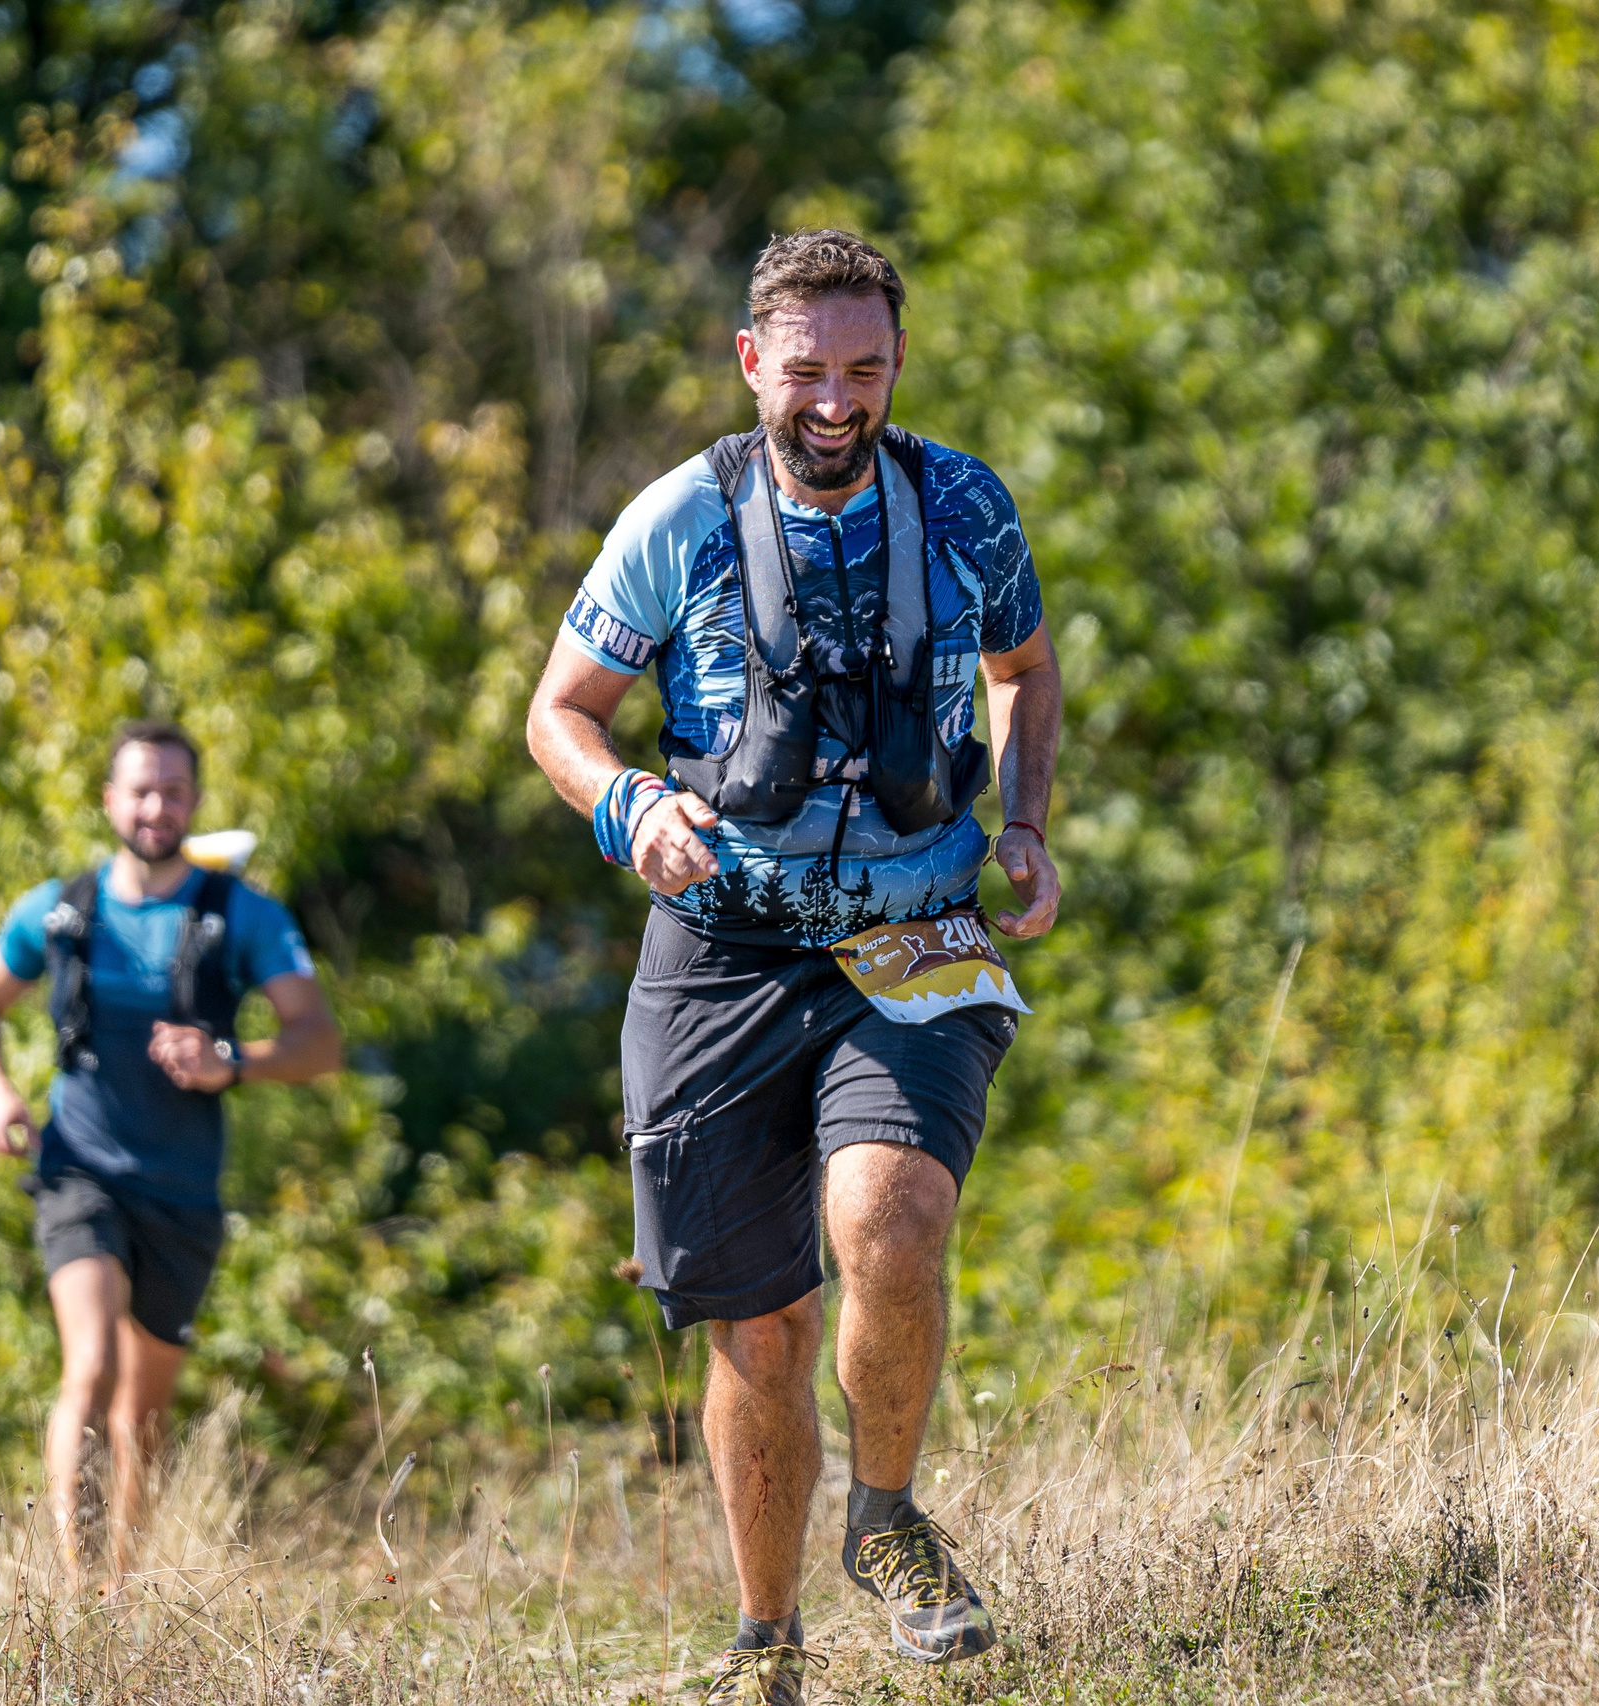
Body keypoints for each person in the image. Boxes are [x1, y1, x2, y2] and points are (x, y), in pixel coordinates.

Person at [525, 229, 1061, 1702]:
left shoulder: (963, 505)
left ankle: (887, 1519)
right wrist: (630, 804)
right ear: (754, 361)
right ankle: (768, 1641)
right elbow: (558, 715)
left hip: (913, 925)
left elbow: (1024, 669)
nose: (838, 402)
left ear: (897, 365)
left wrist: (1022, 820)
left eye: (867, 371)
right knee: (758, 1319)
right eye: (810, 372)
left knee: (890, 1211)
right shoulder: (676, 520)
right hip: (721, 943)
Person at [0, 720, 341, 1592]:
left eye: (171, 790)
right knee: (89, 1365)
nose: (155, 806)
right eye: (139, 789)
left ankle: (119, 1589)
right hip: (76, 1169)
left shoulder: (242, 916)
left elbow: (319, 1042)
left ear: (194, 803)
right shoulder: (58, 910)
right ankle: (79, 1591)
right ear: (109, 801)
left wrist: (230, 1061)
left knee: (145, 1412)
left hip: (183, 1193)